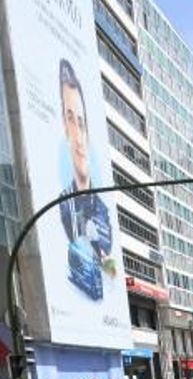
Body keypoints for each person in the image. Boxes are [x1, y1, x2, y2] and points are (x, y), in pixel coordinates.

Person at [58, 59, 112, 301]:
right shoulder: (61, 204)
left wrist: (100, 251)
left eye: (82, 122)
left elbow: (111, 272)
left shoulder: (102, 211)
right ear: (64, 126)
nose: (78, 136)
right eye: (71, 119)